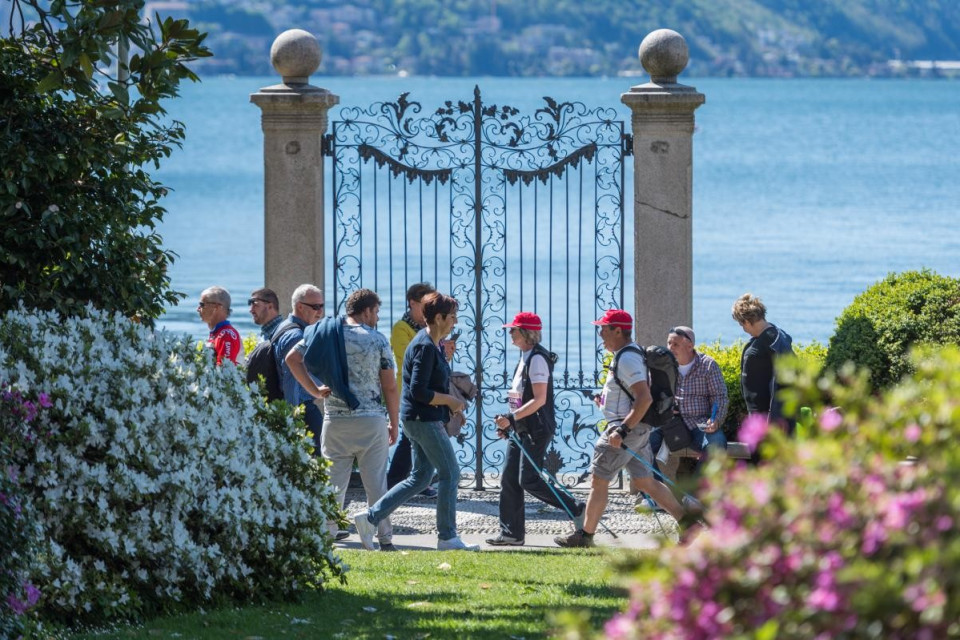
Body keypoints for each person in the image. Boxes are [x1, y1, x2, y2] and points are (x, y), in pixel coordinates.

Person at [554, 309, 699, 548]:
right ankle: (688, 523)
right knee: (645, 482)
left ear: (618, 330)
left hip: (624, 433)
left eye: (604, 328)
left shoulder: (628, 358)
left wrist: (621, 430)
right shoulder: (629, 354)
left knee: (598, 480)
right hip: (636, 430)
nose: (600, 333)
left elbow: (644, 398)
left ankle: (585, 535)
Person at [353, 292, 478, 551]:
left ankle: (369, 518)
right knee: (450, 473)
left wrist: (453, 407)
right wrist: (450, 402)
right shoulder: (424, 346)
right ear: (439, 318)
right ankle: (447, 536)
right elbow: (419, 391)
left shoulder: (432, 344)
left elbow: (430, 385)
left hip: (421, 419)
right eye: (452, 317)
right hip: (423, 420)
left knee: (421, 477)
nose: (455, 322)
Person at [286, 288, 400, 550]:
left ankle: (325, 538)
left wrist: (314, 391)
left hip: (335, 420)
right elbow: (390, 387)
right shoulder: (377, 340)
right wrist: (393, 421)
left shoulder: (323, 334)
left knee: (334, 484)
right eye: (377, 312)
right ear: (367, 311)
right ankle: (384, 538)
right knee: (376, 483)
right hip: (371, 420)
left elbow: (292, 358)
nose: (378, 318)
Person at [486, 312, 586, 546]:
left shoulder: (538, 359)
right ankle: (511, 533)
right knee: (509, 479)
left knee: (528, 479)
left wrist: (512, 418)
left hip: (536, 429)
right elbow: (521, 397)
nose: (510, 333)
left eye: (514, 329)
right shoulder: (526, 356)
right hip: (522, 427)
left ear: (526, 334)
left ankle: (576, 508)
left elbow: (539, 399)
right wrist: (510, 423)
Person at [648, 326, 729, 484]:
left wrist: (716, 420)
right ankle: (656, 494)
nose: (670, 348)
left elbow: (720, 397)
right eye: (669, 343)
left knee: (717, 445)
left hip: (700, 423)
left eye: (675, 344)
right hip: (670, 422)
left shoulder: (708, 365)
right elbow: (653, 394)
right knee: (640, 443)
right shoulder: (663, 365)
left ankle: (697, 497)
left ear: (690, 346)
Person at [386, 282, 441, 497]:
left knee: (416, 437)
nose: (429, 309)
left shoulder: (428, 330)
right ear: (412, 303)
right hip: (409, 389)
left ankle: (414, 480)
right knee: (412, 437)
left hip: (427, 388)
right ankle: (397, 481)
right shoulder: (402, 328)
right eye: (425, 304)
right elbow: (406, 357)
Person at [273, 284, 326, 449]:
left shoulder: (284, 326)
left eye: (322, 306)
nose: (320, 312)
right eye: (315, 307)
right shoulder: (296, 336)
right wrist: (293, 417)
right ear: (300, 307)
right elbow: (291, 379)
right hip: (302, 412)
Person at [732, 294, 795, 431]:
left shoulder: (769, 343)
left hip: (766, 418)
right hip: (764, 415)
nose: (744, 330)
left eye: (741, 325)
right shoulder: (774, 337)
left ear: (747, 322)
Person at [198, 286, 241, 365]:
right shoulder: (218, 333)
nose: (198, 309)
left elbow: (225, 371)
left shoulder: (226, 334)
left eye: (202, 305)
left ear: (216, 307)